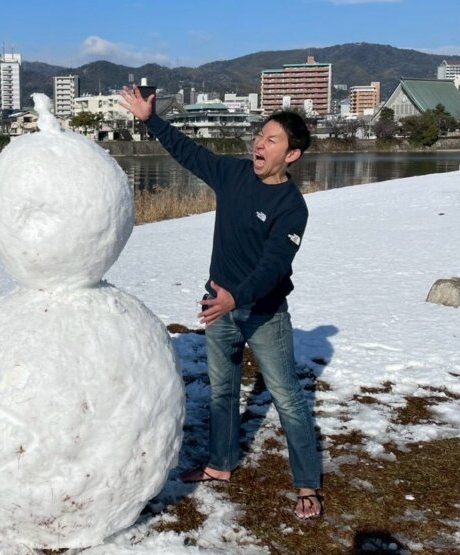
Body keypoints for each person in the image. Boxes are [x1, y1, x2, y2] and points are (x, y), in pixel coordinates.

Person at [119, 85, 323, 521]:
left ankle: (307, 484)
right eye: (260, 135)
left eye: (271, 140)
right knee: (223, 389)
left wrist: (236, 297)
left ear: (291, 156)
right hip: (219, 303)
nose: (259, 144)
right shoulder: (233, 175)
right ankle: (221, 464)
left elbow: (274, 266)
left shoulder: (292, 207)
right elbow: (188, 153)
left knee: (287, 397)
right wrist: (149, 119)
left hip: (263, 312)